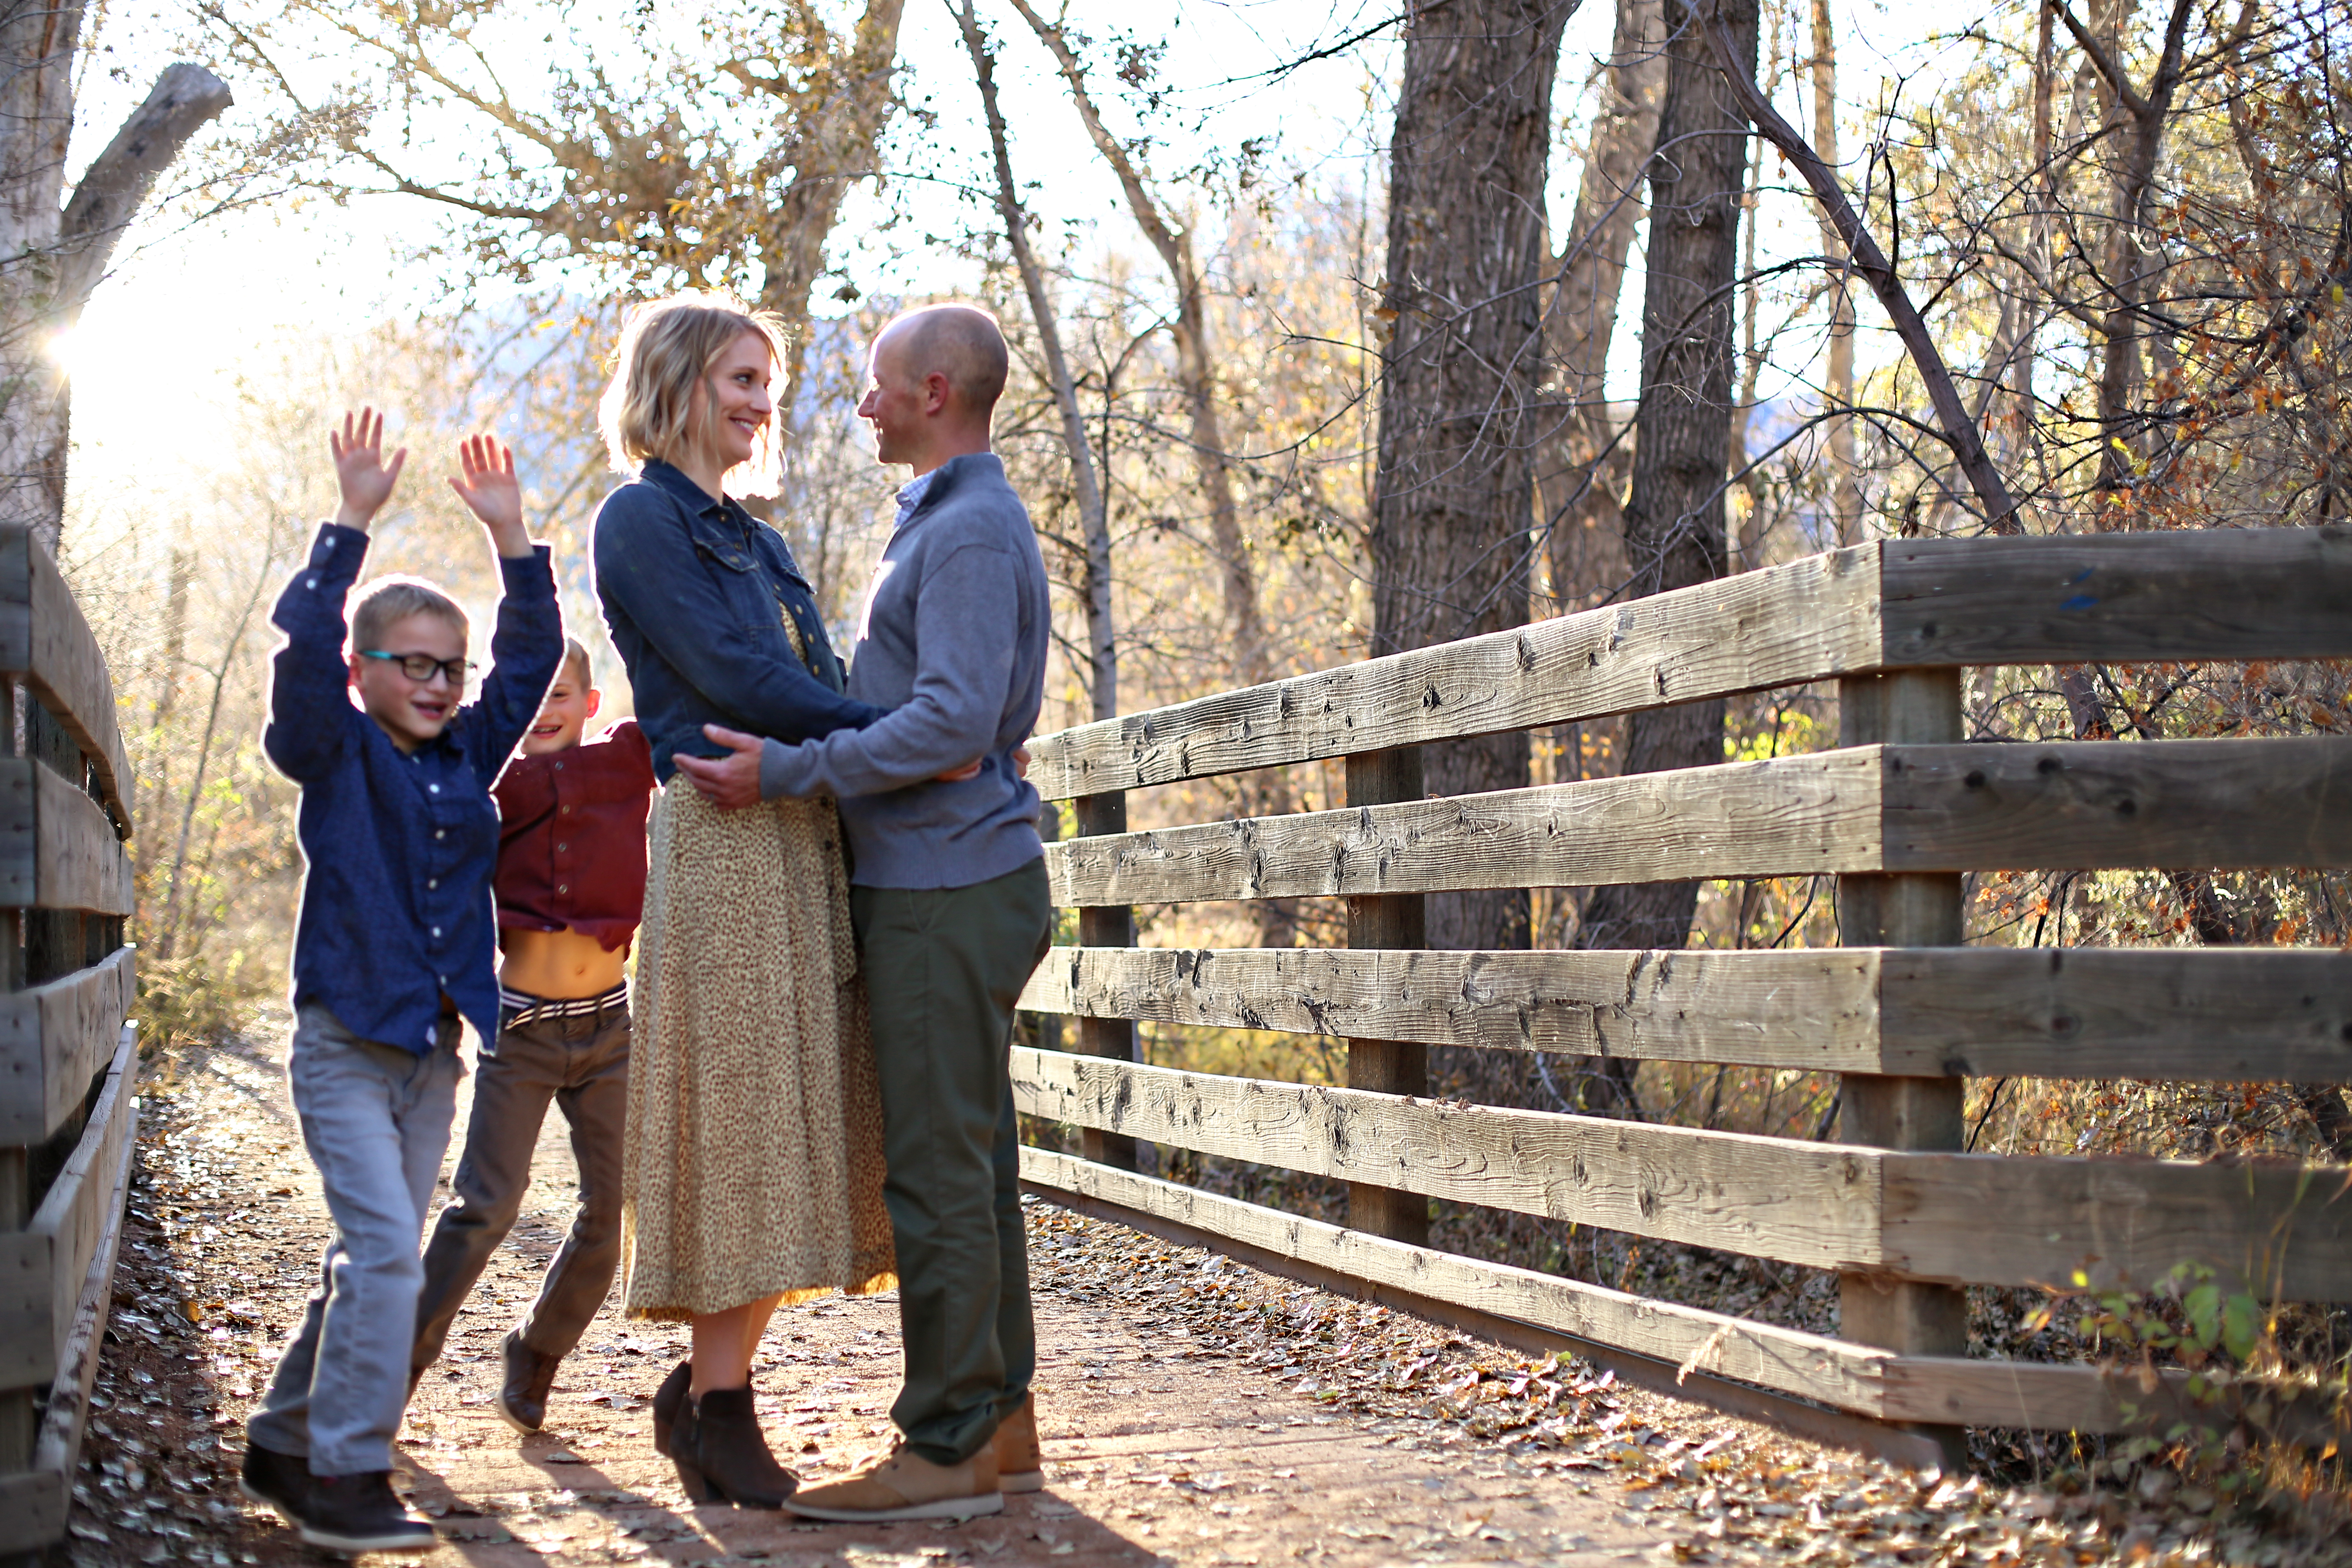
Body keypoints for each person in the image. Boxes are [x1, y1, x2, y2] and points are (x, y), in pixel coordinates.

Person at [677, 303, 1053, 1525]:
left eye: (881, 386)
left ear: (936, 390)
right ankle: (997, 1428)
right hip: (940, 873)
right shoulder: (947, 522)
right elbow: (943, 721)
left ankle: (940, 1448)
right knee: (973, 1164)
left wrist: (790, 771)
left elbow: (951, 721)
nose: (863, 404)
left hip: (947, 890)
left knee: (940, 1176)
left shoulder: (974, 531)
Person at [588, 291, 900, 1509]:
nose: (760, 401)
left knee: (802, 1122)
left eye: (767, 382)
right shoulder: (639, 521)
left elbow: (808, 678)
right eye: (737, 377)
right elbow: (734, 678)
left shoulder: (758, 540)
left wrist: (883, 734)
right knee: (741, 1126)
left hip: (799, 833)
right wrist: (904, 733)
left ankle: (705, 1395)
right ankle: (723, 1413)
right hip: (721, 842)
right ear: (672, 382)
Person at [240, 418, 563, 1555]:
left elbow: (528, 664)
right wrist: (352, 524)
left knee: (365, 1263)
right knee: (385, 1257)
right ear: (364, 670)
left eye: (447, 667)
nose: (434, 683)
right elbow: (297, 650)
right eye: (410, 664)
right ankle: (349, 1476)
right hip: (342, 1047)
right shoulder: (333, 749)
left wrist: (513, 538)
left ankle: (284, 1438)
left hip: (434, 1056)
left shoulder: (467, 758)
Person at [407, 637, 655, 1431]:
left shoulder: (624, 760)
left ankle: (537, 1352)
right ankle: (395, 1361)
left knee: (611, 1210)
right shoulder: (492, 784)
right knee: (487, 1205)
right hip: (521, 1032)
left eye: (561, 696)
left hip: (610, 1026)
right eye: (529, 695)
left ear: (588, 704)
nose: (543, 711)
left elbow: (668, 668)